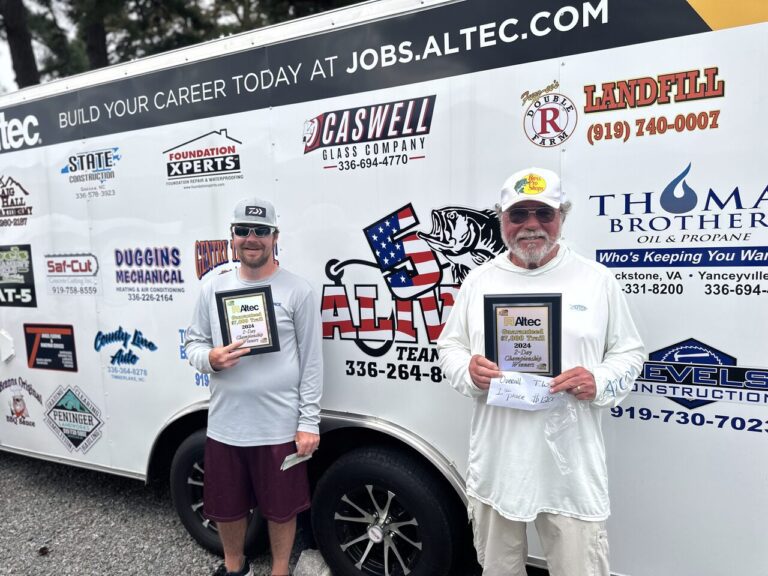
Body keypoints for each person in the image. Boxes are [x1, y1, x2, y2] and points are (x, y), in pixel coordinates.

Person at [437, 167, 645, 576]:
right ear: (502, 220)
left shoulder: (596, 280)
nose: (531, 225)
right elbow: (450, 346)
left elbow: (630, 353)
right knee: (498, 569)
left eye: (543, 213)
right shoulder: (479, 280)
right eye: (519, 215)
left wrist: (598, 379)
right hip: (499, 465)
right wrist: (468, 370)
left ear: (561, 218)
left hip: (570, 470)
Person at [185, 197, 323, 576]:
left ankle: (279, 570)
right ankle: (234, 568)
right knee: (226, 507)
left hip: (279, 426)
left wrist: (308, 422)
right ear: (231, 237)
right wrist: (209, 358)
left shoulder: (298, 291)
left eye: (261, 231)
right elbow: (192, 343)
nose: (252, 238)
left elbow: (312, 363)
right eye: (243, 230)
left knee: (281, 509)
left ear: (275, 236)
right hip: (227, 425)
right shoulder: (212, 288)